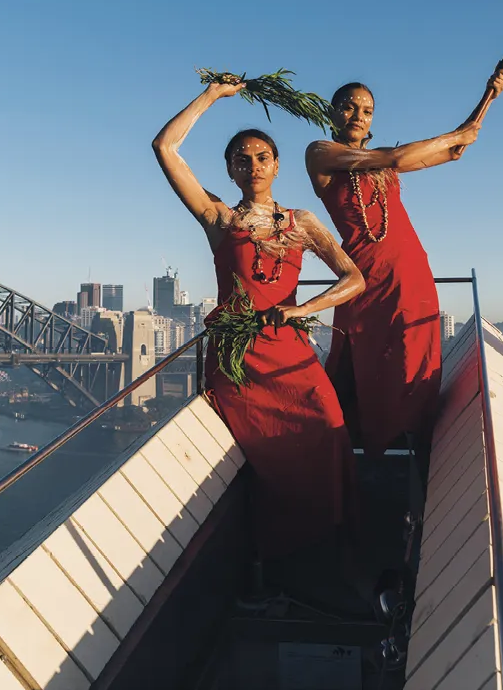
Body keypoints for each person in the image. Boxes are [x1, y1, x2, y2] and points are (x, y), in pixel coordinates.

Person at [152, 77, 367, 573]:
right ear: (230, 169)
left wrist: (299, 311)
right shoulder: (219, 219)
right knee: (268, 458)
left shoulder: (302, 222)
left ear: (276, 164)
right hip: (239, 358)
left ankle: (330, 548)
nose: (253, 166)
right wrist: (210, 96)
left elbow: (354, 279)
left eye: (262, 157)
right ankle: (280, 559)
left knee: (331, 429)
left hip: (289, 351)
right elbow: (165, 148)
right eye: (242, 159)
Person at [306, 69, 503, 465]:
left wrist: (488, 98)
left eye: (366, 110)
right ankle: (365, 458)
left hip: (410, 267)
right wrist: (458, 134)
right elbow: (400, 155)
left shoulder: (382, 165)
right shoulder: (321, 152)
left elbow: (453, 152)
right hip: (365, 274)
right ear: (332, 112)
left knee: (412, 355)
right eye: (348, 107)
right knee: (364, 358)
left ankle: (414, 448)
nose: (358, 116)